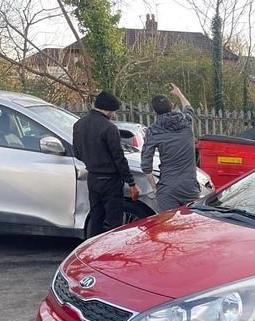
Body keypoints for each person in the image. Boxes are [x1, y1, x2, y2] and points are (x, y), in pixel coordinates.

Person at [72, 90, 140, 235]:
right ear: (109, 109)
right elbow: (119, 158)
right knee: (114, 220)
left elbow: (77, 153)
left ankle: (93, 244)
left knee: (96, 217)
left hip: (92, 178)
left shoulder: (78, 125)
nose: (114, 115)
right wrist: (131, 183)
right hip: (110, 181)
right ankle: (113, 246)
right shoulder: (109, 128)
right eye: (114, 111)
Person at [141, 84, 200, 211]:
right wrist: (179, 93)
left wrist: (154, 188)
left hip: (167, 188)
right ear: (172, 106)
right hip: (189, 186)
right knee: (193, 221)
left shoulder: (153, 131)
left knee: (168, 223)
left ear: (154, 112)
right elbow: (188, 108)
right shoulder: (187, 121)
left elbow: (146, 165)